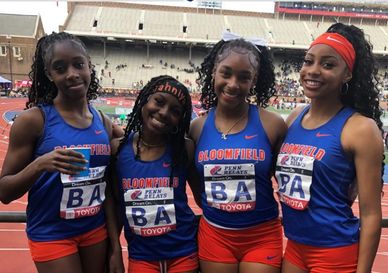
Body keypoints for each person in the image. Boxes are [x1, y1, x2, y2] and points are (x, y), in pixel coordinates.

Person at [0, 32, 123, 273]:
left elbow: (135, 148)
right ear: (49, 74)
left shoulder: (103, 122)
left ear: (89, 65)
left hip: (94, 230)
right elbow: (4, 191)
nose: (72, 74)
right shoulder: (34, 121)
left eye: (78, 64)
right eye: (60, 68)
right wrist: (39, 165)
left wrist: (115, 246)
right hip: (52, 233)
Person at [275, 23, 383, 273]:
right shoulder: (293, 118)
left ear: (347, 75)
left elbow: (370, 215)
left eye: (328, 65)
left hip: (336, 253)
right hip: (294, 248)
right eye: (308, 61)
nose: (313, 71)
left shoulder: (360, 128)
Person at [189, 32, 287, 273]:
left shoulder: (273, 125)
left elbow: (285, 177)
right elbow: (195, 182)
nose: (233, 84)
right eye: (226, 73)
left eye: (244, 77)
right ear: (214, 72)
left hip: (261, 234)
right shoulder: (197, 127)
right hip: (215, 234)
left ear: (254, 81)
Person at [110, 75, 199, 273]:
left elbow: (203, 198)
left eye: (175, 111)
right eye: (158, 101)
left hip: (184, 252)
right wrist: (115, 250)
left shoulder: (185, 149)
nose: (164, 113)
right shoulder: (117, 149)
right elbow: (115, 204)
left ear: (180, 120)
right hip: (142, 256)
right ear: (144, 100)